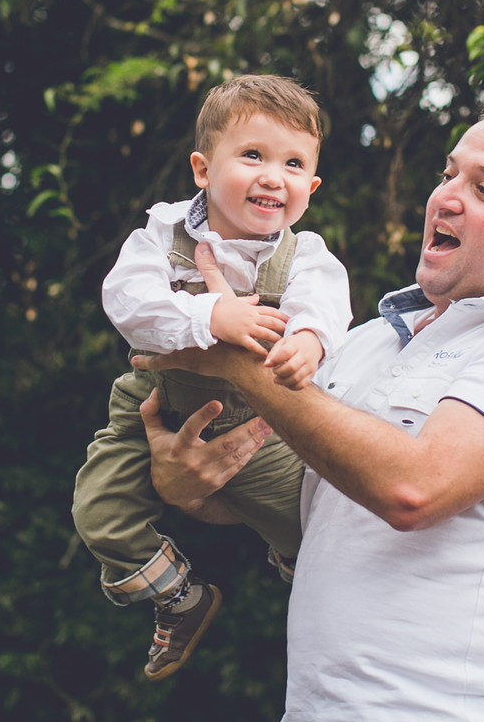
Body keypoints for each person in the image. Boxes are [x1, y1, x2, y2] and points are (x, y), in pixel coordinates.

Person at [137, 94, 484, 719]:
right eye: (449, 174)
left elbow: (413, 490)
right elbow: (310, 505)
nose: (446, 197)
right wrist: (192, 489)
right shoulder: (360, 341)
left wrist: (233, 359)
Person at [72, 74, 352, 682]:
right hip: (152, 402)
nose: (273, 175)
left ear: (312, 185)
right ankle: (180, 597)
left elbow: (325, 306)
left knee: (315, 535)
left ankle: (306, 581)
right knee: (98, 513)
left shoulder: (304, 255)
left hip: (261, 421)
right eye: (252, 155)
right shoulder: (163, 234)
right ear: (203, 168)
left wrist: (310, 340)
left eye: (294, 163)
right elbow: (127, 303)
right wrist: (212, 315)